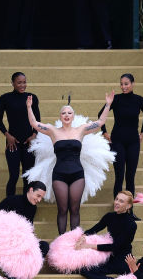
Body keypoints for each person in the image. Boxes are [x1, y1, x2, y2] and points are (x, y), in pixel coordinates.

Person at [26, 92, 113, 233]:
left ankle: (73, 241)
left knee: (74, 209)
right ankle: (62, 241)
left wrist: (108, 104)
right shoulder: (53, 131)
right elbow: (34, 124)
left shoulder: (81, 130)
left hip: (77, 174)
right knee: (62, 209)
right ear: (60, 116)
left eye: (69, 113)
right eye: (64, 113)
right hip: (59, 174)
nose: (66, 115)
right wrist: (29, 107)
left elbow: (100, 122)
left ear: (73, 116)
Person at [0, 181, 50, 279]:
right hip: (4, 243)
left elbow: (28, 228)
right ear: (30, 190)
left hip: (22, 244)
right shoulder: (11, 201)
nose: (39, 200)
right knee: (16, 259)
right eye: (38, 195)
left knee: (44, 246)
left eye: (41, 197)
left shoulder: (33, 207)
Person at [100, 73, 143, 196]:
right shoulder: (116, 99)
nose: (123, 87)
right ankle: (117, 207)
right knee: (119, 176)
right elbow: (100, 115)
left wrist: (142, 132)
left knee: (130, 176)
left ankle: (129, 209)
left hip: (133, 141)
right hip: (117, 141)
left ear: (133, 84)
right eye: (121, 84)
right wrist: (104, 132)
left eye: (126, 84)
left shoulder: (140, 100)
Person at [74, 190, 137, 279]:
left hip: (123, 259)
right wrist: (83, 236)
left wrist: (89, 245)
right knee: (83, 269)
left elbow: (115, 246)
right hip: (109, 257)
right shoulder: (109, 216)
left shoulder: (131, 224)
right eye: (116, 199)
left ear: (128, 206)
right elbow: (94, 229)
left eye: (121, 201)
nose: (117, 203)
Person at [0, 72, 40, 198]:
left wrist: (34, 134)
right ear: (13, 83)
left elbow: (37, 120)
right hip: (12, 143)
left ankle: (28, 205)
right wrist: (7, 135)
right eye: (19, 82)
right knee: (14, 175)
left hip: (29, 143)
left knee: (28, 176)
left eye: (24, 82)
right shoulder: (5, 98)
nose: (22, 85)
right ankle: (9, 205)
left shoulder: (32, 97)